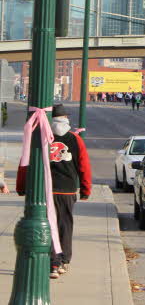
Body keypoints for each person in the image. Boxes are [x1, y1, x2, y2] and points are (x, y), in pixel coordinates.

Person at [17, 104, 92, 279]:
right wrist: (86, 189)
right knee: (64, 226)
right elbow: (84, 166)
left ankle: (53, 262)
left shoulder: (40, 136)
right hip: (66, 190)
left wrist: (22, 186)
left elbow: (25, 161)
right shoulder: (75, 139)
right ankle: (63, 260)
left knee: (47, 226)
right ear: (66, 119)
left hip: (43, 189)